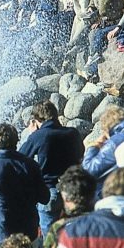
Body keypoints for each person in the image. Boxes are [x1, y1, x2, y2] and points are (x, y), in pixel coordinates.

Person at [20, 100, 84, 239]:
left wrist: (32, 135)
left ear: (36, 120)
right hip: (73, 191)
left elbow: (20, 158)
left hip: (50, 192)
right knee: (73, 238)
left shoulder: (39, 136)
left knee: (49, 243)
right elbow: (81, 155)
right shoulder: (73, 133)